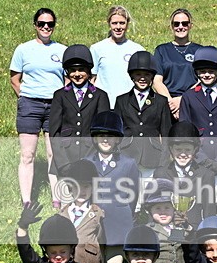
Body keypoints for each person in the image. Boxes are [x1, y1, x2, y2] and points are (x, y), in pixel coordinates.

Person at [84, 111, 140, 263]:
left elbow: (133, 195)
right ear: (94, 137)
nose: (105, 139)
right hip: (93, 227)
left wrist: (121, 212)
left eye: (110, 135)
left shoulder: (128, 163)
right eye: (100, 135)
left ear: (118, 139)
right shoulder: (86, 162)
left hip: (118, 226)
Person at [10, 7, 66, 206]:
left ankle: (57, 196)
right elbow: (15, 79)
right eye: (41, 23)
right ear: (35, 25)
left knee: (54, 153)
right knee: (27, 154)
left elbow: (67, 81)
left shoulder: (61, 50)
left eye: (50, 24)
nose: (46, 27)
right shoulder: (23, 49)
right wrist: (26, 98)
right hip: (30, 106)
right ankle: (27, 200)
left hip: (55, 106)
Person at [50, 45, 111, 180]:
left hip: (92, 157)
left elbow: (102, 131)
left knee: (92, 197)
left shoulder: (100, 96)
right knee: (67, 198)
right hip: (66, 157)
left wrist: (94, 158)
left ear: (89, 71)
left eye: (81, 70)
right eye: (72, 70)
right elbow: (54, 131)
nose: (77, 74)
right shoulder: (59, 95)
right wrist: (63, 162)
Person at [115, 50, 173, 179]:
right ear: (132, 76)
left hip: (152, 157)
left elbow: (166, 134)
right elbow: (117, 133)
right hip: (127, 155)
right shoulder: (121, 100)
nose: (142, 78)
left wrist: (163, 162)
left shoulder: (161, 101)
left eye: (146, 74)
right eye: (138, 74)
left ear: (152, 76)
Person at [179, 46, 217, 171]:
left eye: (211, 71)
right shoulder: (189, 96)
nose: (207, 75)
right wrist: (201, 159)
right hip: (197, 157)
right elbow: (186, 130)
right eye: (202, 71)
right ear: (196, 72)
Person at [153, 122, 216, 231]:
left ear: (195, 150)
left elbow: (209, 214)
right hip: (166, 235)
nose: (183, 154)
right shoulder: (160, 173)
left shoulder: (206, 175)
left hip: (193, 235)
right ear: (171, 149)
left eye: (187, 150)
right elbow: (153, 209)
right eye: (178, 150)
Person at [90, 5, 146, 108]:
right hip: (104, 104)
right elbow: (92, 80)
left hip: (129, 105)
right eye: (115, 23)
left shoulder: (137, 49)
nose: (118, 27)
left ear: (127, 24)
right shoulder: (97, 48)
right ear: (109, 24)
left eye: (122, 23)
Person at [153, 9, 203, 119]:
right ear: (172, 26)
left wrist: (182, 100)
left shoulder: (200, 51)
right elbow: (157, 81)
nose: (180, 27)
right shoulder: (162, 50)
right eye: (176, 24)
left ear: (190, 26)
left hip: (194, 102)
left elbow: (203, 80)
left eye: (185, 23)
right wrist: (171, 103)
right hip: (168, 104)